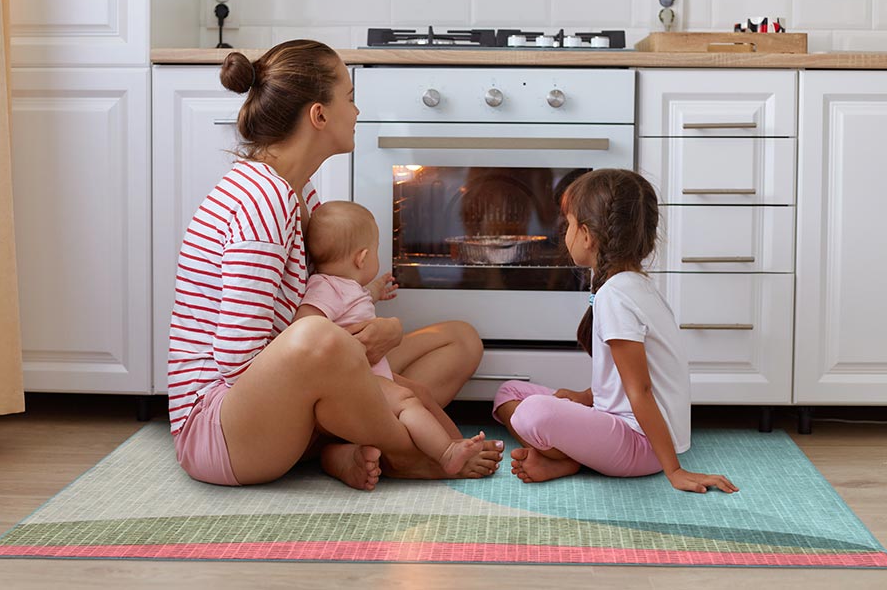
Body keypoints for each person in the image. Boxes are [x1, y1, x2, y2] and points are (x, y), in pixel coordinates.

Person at [167, 39, 500, 491]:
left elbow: (320, 301)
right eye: (348, 97)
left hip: (283, 399)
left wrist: (378, 340)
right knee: (330, 346)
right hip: (221, 432)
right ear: (318, 116)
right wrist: (357, 367)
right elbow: (235, 359)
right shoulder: (263, 201)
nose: (357, 110)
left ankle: (339, 450)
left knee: (458, 340)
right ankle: (413, 457)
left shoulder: (298, 192)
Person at [492, 169, 738, 494]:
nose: (564, 233)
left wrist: (674, 471)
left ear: (587, 235)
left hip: (641, 443)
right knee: (509, 393)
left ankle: (568, 460)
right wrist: (584, 398)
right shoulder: (630, 285)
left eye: (568, 224)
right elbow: (626, 380)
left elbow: (642, 391)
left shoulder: (616, 296)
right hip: (625, 427)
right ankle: (570, 456)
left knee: (532, 412)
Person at [296, 200, 489, 476]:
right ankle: (444, 454)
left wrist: (373, 291)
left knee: (417, 395)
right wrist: (343, 345)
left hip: (370, 374)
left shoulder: (343, 286)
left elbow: (351, 301)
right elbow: (305, 328)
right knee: (407, 404)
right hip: (354, 383)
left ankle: (455, 446)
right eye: (375, 251)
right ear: (362, 258)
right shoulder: (324, 288)